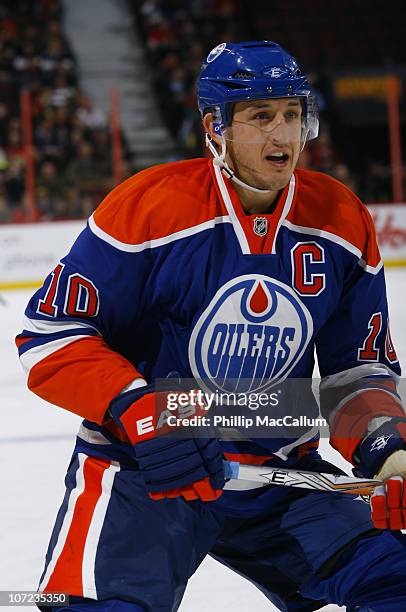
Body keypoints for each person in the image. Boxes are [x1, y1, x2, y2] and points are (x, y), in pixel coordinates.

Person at [16, 41, 406, 611]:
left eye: (293, 114)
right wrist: (140, 411)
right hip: (146, 470)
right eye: (261, 117)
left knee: (395, 584)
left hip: (281, 475)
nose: (283, 136)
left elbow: (356, 371)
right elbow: (50, 332)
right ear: (215, 125)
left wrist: (386, 448)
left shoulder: (340, 219)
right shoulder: (148, 208)